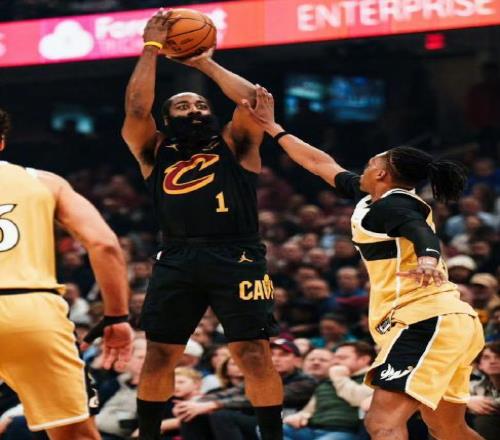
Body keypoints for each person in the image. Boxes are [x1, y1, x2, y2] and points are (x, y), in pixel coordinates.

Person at [243, 87, 485, 439]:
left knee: (382, 423)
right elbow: (320, 164)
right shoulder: (372, 198)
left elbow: (419, 230)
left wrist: (429, 259)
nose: (366, 166)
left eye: (373, 163)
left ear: (383, 174)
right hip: (442, 323)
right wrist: (273, 128)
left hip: (425, 320)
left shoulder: (396, 204)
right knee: (447, 427)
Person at [122, 11, 282, 440]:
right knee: (159, 354)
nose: (193, 109)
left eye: (200, 105)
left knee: (253, 353)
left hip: (238, 252)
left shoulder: (235, 142)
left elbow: (254, 102)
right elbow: (136, 107)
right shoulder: (154, 149)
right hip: (177, 254)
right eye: (182, 106)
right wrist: (151, 48)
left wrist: (204, 63)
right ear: (167, 119)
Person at [0, 108, 133, 440]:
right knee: (76, 435)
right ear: (2, 142)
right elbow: (105, 245)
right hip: (30, 311)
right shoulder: (43, 182)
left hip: (28, 307)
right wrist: (116, 316)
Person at [283, 342, 375, 440]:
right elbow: (309, 410)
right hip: (311, 429)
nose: (336, 362)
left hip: (345, 431)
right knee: (274, 431)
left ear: (364, 359)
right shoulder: (328, 381)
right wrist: (299, 417)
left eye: (342, 358)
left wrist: (340, 378)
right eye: (335, 357)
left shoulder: (373, 378)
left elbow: (360, 399)